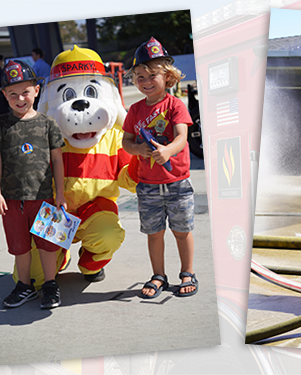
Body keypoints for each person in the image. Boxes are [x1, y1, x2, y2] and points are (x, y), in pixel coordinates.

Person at [0, 60, 67, 309]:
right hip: (12, 200)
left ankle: (50, 285)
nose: (20, 98)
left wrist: (60, 194)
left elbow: (57, 160)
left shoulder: (47, 123)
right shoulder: (0, 124)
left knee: (47, 243)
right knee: (19, 246)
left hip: (44, 197)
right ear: (3, 95)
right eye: (12, 94)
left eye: (25, 92)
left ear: (37, 89)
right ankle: (24, 286)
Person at [122, 37, 197, 299]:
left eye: (152, 75)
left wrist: (167, 150)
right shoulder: (134, 110)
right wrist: (137, 150)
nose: (146, 81)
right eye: (140, 76)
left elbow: (181, 138)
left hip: (177, 181)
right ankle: (158, 275)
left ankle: (187, 272)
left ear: (168, 76)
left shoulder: (175, 105)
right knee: (154, 233)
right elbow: (126, 141)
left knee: (181, 231)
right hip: (148, 184)